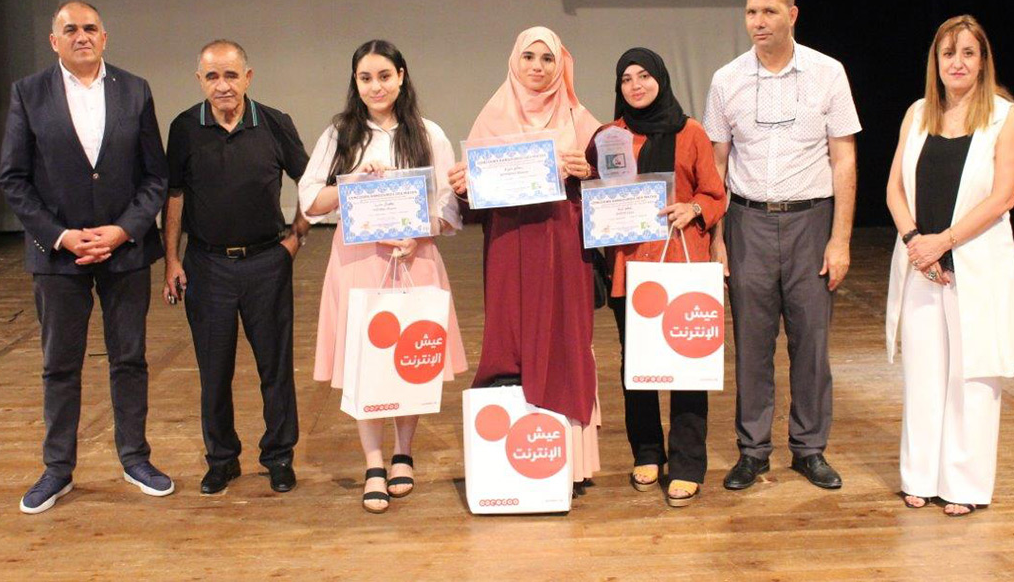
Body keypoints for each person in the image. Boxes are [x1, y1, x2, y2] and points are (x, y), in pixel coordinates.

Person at [0, 1, 173, 514]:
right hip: (59, 258)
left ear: (104, 37)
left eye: (90, 28)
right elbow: (14, 178)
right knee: (59, 365)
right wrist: (60, 236)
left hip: (125, 252)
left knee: (130, 360)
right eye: (70, 29)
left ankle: (135, 458)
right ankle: (57, 469)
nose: (82, 36)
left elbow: (155, 176)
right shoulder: (29, 93)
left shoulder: (135, 90)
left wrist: (122, 231)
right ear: (54, 41)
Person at [703, 0, 860, 491]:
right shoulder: (726, 79)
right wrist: (717, 239)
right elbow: (717, 164)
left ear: (792, 15)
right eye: (751, 12)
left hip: (810, 222)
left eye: (769, 11)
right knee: (751, 343)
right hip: (746, 222)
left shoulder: (828, 73)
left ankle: (809, 448)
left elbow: (844, 159)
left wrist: (840, 239)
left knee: (811, 342)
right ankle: (752, 451)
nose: (758, 22)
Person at [298, 40, 467, 514]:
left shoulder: (428, 133)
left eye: (384, 76)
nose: (376, 86)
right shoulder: (340, 133)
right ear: (355, 82)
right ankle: (373, 461)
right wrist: (353, 180)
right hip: (357, 261)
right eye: (365, 78)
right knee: (365, 360)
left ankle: (403, 453)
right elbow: (309, 200)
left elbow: (447, 208)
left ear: (402, 76)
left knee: (411, 356)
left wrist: (418, 233)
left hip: (415, 257)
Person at [448, 26, 602, 491]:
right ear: (515, 62)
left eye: (547, 58)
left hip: (563, 248)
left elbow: (609, 192)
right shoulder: (492, 117)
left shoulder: (582, 122)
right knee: (510, 335)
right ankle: (518, 460)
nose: (537, 66)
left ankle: (568, 464)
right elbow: (472, 205)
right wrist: (464, 188)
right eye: (529, 57)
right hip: (509, 246)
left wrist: (588, 173)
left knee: (564, 337)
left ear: (561, 66)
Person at [162, 40, 310, 495]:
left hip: (267, 263)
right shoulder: (184, 127)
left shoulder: (274, 123)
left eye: (230, 75)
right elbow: (175, 196)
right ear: (200, 80)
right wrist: (171, 259)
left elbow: (311, 181)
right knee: (213, 370)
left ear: (248, 77)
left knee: (275, 368)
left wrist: (295, 238)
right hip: (207, 267)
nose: (222, 85)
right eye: (212, 76)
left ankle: (279, 456)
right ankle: (222, 459)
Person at [885, 15, 1014, 517]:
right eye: (947, 53)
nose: (956, 63)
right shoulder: (918, 113)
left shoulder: (1003, 116)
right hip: (922, 263)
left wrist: (945, 241)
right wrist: (916, 242)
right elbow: (895, 189)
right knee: (923, 375)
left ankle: (964, 483)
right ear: (935, 62)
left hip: (974, 264)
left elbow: (1003, 196)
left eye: (967, 53)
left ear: (982, 61)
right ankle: (919, 476)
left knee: (972, 377)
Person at [586, 48, 726, 506]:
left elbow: (715, 193)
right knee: (637, 364)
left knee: (688, 365)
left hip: (681, 264)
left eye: (644, 76)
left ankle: (687, 463)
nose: (636, 85)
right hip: (630, 268)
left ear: (660, 80)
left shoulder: (691, 133)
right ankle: (646, 451)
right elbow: (594, 193)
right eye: (626, 78)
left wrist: (693, 208)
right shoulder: (609, 136)